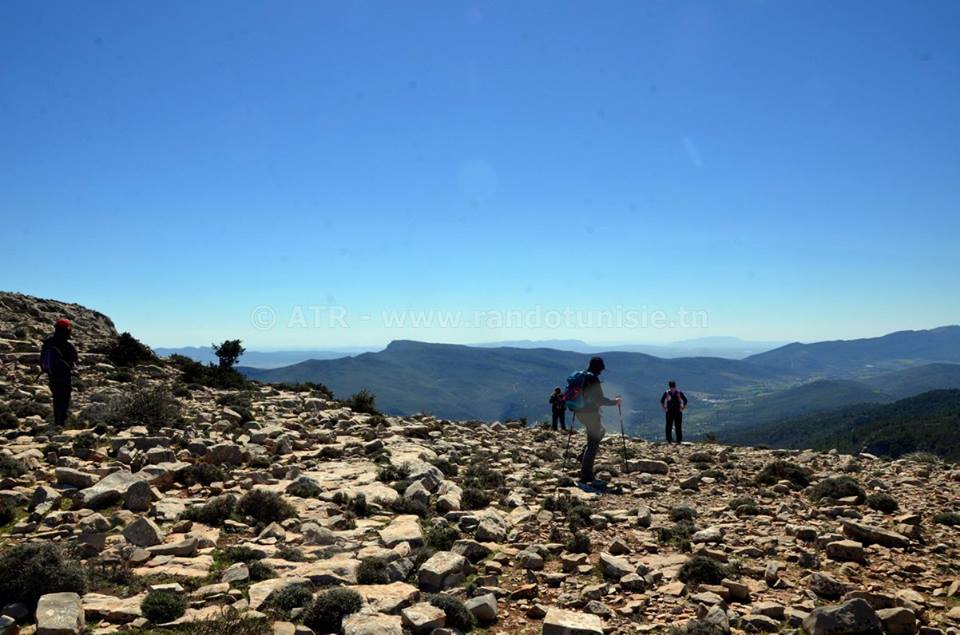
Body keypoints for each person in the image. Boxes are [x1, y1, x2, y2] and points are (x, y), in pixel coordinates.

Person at [577, 356, 621, 485]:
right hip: (590, 412)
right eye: (601, 369)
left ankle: (583, 456)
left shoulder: (582, 376)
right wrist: (615, 402)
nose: (602, 371)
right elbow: (599, 399)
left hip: (579, 412)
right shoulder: (593, 378)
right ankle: (586, 475)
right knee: (593, 443)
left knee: (599, 433)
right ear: (599, 368)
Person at [41, 318, 78, 427]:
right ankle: (62, 421)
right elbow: (74, 358)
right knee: (65, 398)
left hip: (51, 373)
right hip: (64, 374)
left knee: (56, 397)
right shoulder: (67, 343)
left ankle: (58, 421)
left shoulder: (48, 341)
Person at [660, 380, 688, 444]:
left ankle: (676, 440)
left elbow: (662, 401)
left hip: (674, 411)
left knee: (674, 426)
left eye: (673, 387)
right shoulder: (677, 392)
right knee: (671, 426)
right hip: (674, 411)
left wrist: (664, 408)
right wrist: (682, 408)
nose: (672, 388)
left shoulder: (668, 393)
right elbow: (685, 400)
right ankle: (672, 440)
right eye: (672, 387)